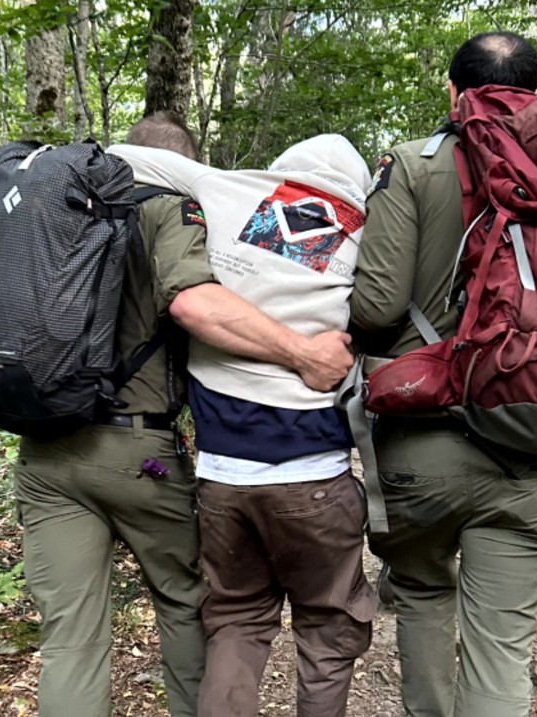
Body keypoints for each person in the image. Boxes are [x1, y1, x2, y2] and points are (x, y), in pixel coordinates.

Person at [13, 111, 355, 717]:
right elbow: (197, 305)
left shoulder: (57, 212)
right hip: (136, 453)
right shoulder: (167, 208)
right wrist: (303, 351)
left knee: (69, 640)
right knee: (188, 607)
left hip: (43, 450)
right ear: (181, 166)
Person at [349, 33, 537, 717]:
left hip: (425, 448)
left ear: (453, 92)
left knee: (422, 595)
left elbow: (379, 303)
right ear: (534, 92)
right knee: (503, 647)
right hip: (536, 442)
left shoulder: (416, 167)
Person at [111, 134, 377, 717]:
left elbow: (117, 154)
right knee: (328, 633)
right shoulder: (367, 229)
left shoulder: (221, 187)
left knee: (235, 623)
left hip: (223, 479)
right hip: (316, 477)